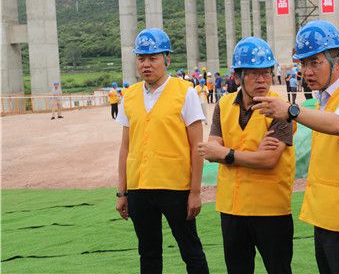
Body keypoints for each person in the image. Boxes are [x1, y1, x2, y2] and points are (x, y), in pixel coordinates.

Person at [253, 20, 339, 274]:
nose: (307, 71)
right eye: (303, 64)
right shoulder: (324, 99)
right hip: (326, 218)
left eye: (315, 62)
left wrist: (291, 111)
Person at [115, 28, 209, 274]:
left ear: (167, 59)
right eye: (141, 58)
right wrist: (122, 192)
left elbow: (197, 147)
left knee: (191, 251)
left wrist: (195, 192)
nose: (146, 64)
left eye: (153, 58)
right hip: (139, 188)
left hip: (176, 188)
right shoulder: (129, 96)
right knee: (148, 253)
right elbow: (125, 147)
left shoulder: (185, 92)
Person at [198, 36, 295, 274]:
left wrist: (227, 154)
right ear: (237, 77)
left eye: (266, 73)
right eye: (253, 73)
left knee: (279, 269)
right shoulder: (224, 105)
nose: (262, 80)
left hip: (270, 209)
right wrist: (249, 156)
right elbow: (211, 151)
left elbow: (269, 160)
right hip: (232, 209)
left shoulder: (281, 109)